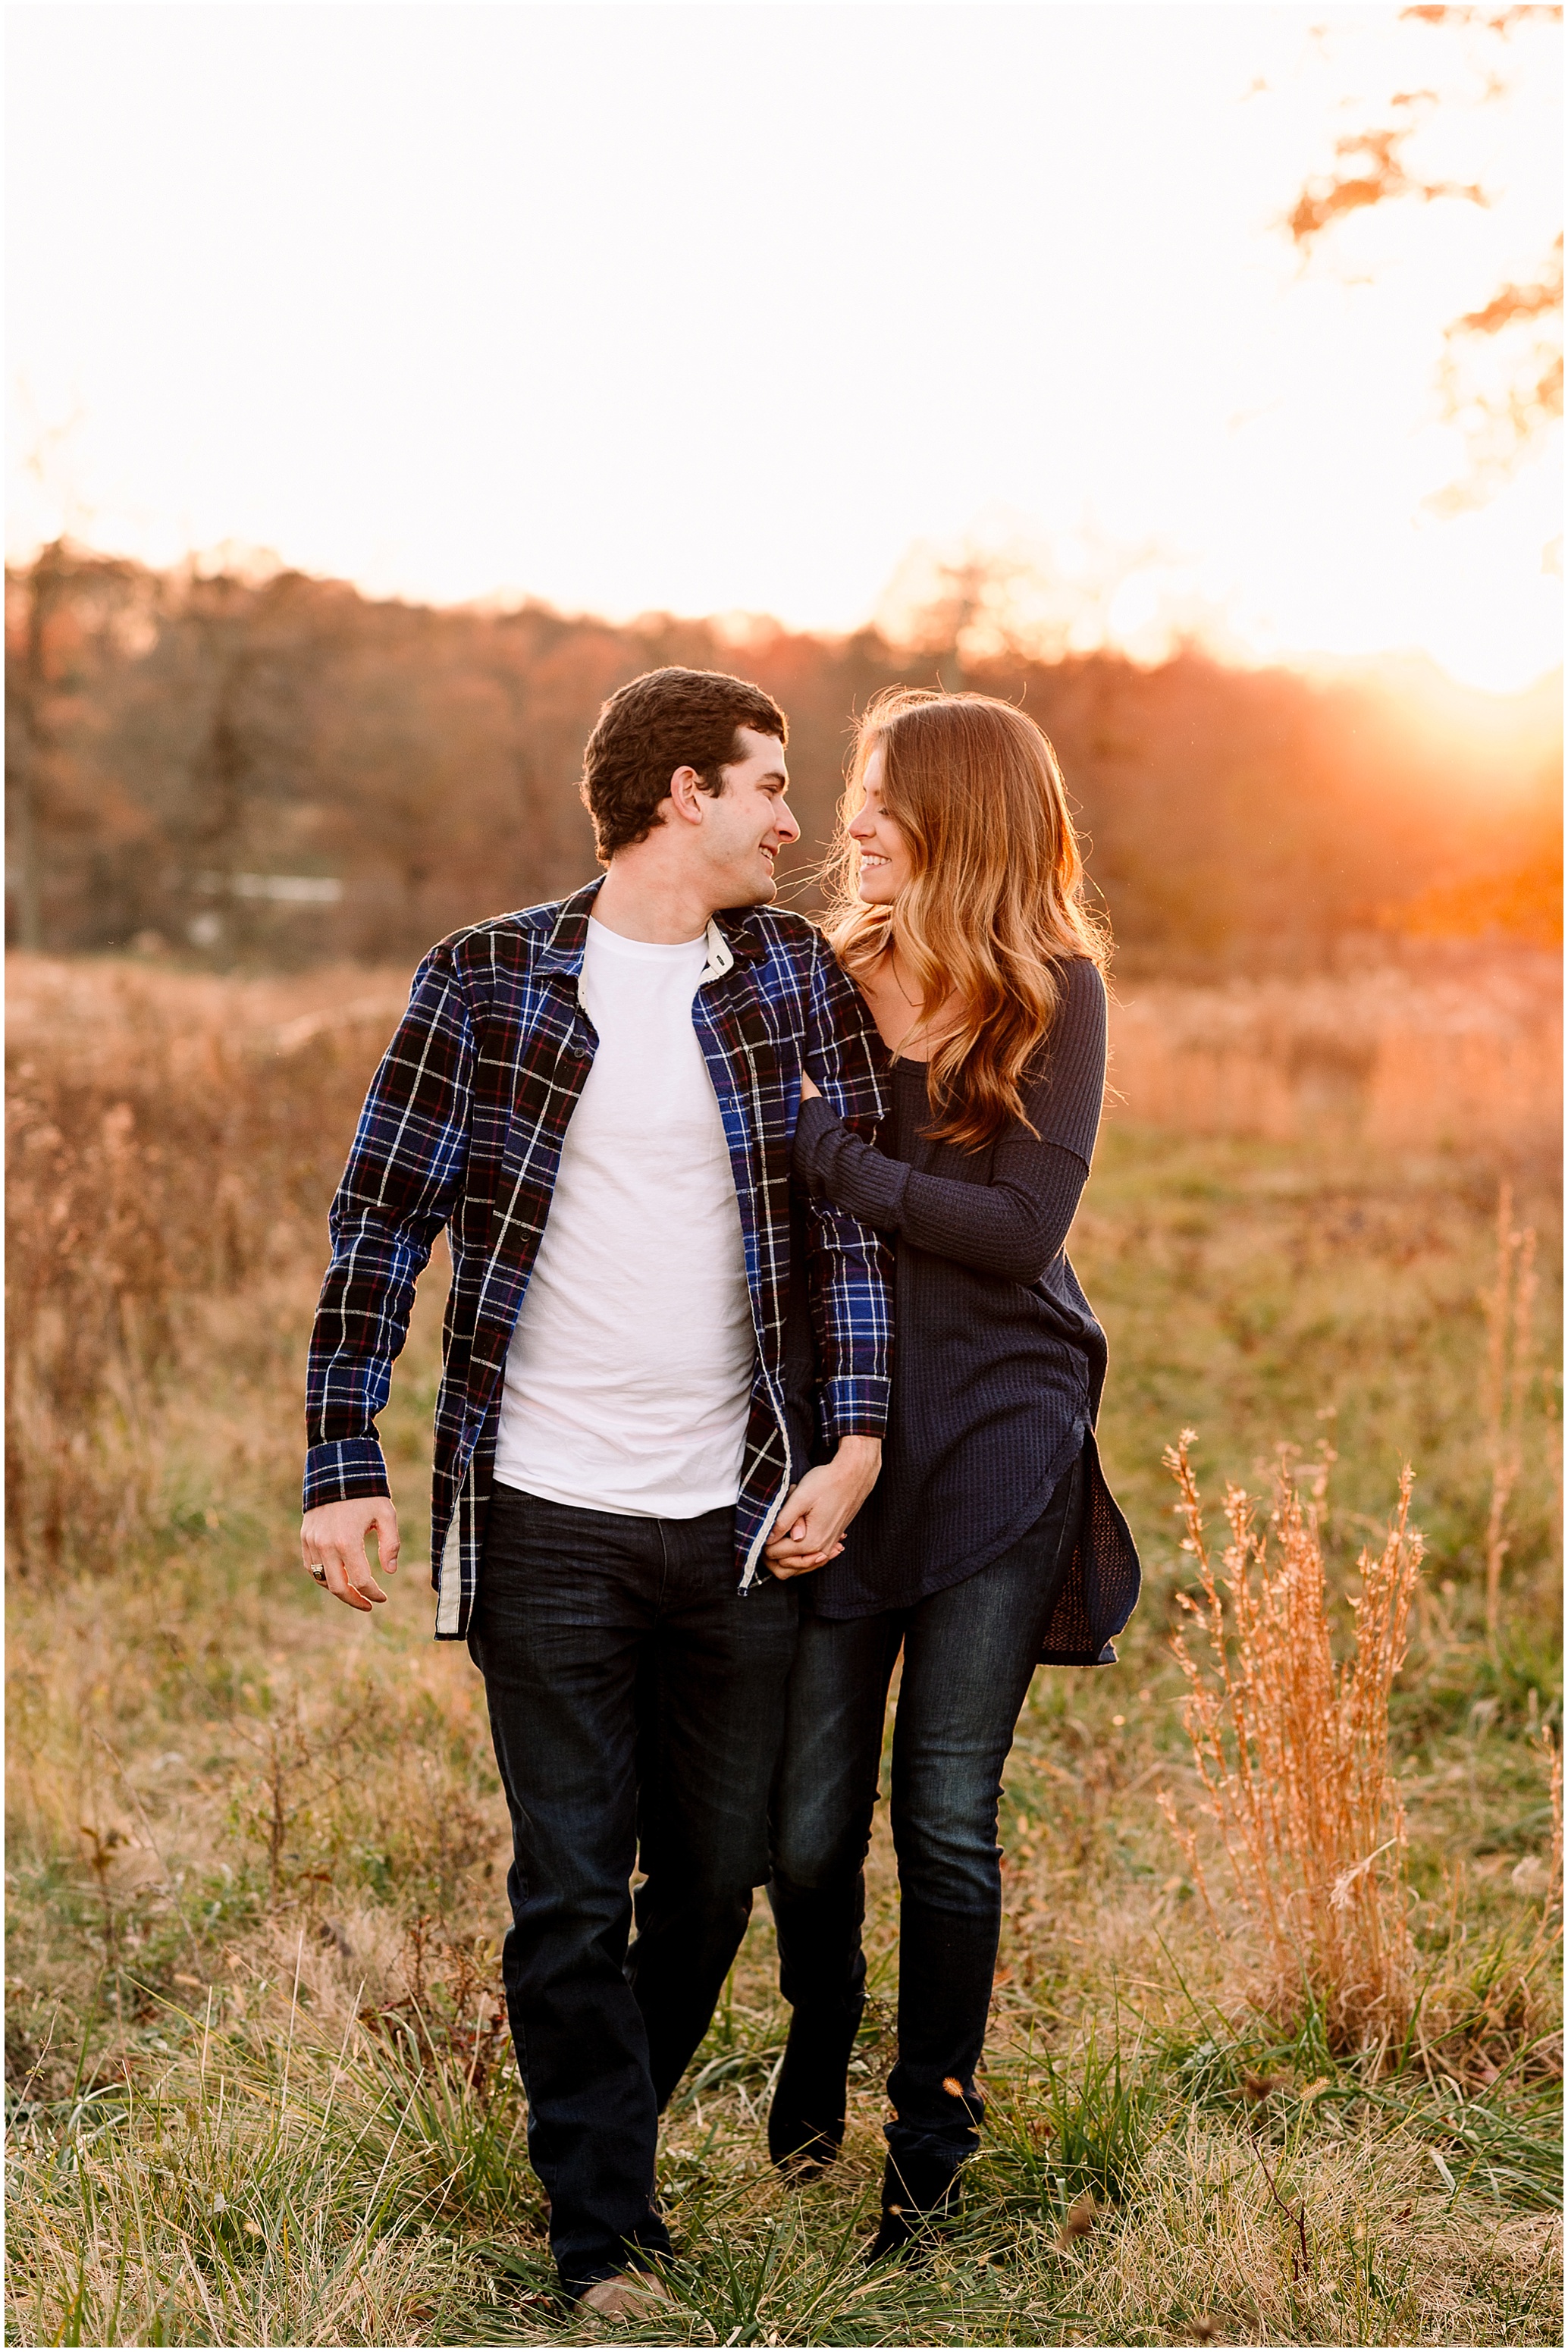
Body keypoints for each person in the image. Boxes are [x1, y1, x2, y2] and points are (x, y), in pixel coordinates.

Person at [299, 668, 894, 2314]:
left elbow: (845, 1232)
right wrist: (343, 1456)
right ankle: (604, 2238)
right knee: (568, 1882)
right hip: (544, 1507)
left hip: (739, 1512)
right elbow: (378, 1227)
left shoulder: (785, 977)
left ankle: (598, 2117)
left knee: (711, 1873)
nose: (795, 821)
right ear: (677, 796)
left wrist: (851, 1440)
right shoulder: (486, 983)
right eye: (769, 787)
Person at [762, 687, 1141, 2256]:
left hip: (998, 1429)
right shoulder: (828, 977)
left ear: (960, 816)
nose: (852, 826)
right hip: (844, 1428)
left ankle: (930, 2126)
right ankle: (813, 2035)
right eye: (851, 795)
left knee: (943, 1811)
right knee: (801, 1820)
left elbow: (1014, 1233)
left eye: (880, 797)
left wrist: (833, 1153)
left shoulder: (1053, 990)